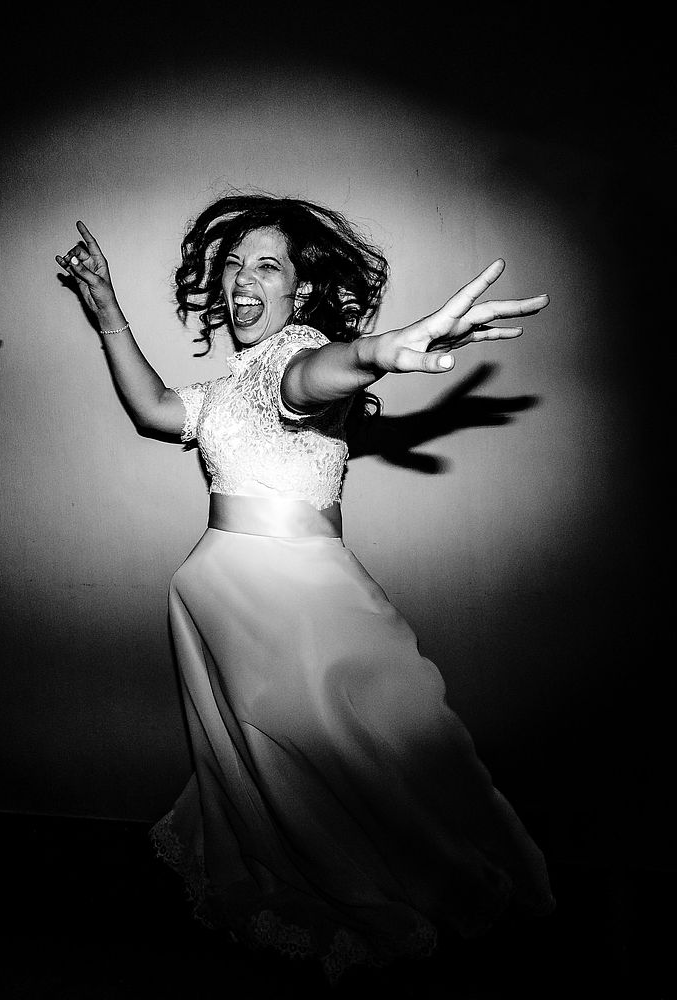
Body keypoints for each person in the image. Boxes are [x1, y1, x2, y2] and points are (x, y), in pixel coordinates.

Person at [54, 195, 555, 982]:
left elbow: (311, 381)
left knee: (363, 768)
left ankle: (436, 916)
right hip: (221, 598)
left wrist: (381, 350)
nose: (240, 280)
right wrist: (109, 312)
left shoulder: (300, 356)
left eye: (266, 265)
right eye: (232, 264)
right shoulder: (230, 382)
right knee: (272, 772)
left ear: (301, 290)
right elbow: (155, 410)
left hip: (298, 604)